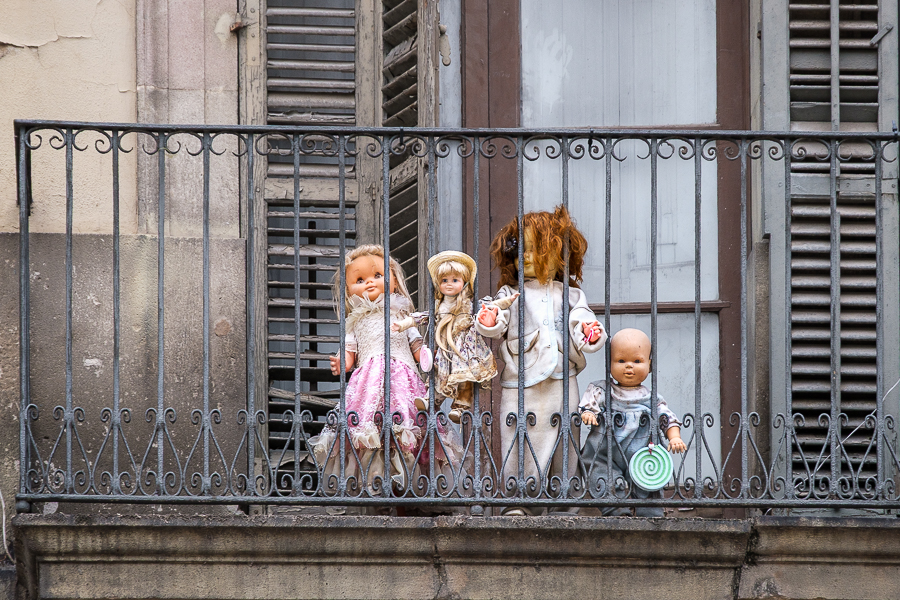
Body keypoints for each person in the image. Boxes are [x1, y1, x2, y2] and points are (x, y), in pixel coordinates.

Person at [475, 206, 606, 515]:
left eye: (536, 250)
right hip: (521, 381)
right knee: (520, 436)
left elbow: (583, 325)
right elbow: (495, 322)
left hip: (563, 380)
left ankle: (564, 503)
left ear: (558, 254)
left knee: (565, 437)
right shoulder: (511, 293)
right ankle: (519, 501)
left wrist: (590, 332)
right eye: (523, 252)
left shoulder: (571, 296)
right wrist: (490, 316)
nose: (528, 258)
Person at [309, 244, 461, 495]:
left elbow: (415, 342)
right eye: (359, 280)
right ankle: (375, 484)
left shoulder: (401, 314)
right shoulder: (355, 321)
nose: (369, 283)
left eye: (378, 276)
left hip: (404, 379)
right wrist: (341, 363)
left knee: (408, 427)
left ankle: (410, 486)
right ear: (348, 289)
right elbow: (349, 353)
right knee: (369, 430)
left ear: (393, 279)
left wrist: (426, 356)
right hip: (368, 382)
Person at [578, 328, 686, 517]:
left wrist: (674, 437)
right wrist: (588, 413)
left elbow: (666, 417)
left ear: (650, 365)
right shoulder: (602, 390)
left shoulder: (651, 398)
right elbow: (589, 404)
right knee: (601, 474)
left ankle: (649, 513)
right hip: (606, 451)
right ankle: (616, 510)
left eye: (637, 361)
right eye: (621, 361)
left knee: (648, 482)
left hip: (642, 452)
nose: (629, 366)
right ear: (610, 363)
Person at [392, 251, 497, 423]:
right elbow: (423, 317)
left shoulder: (469, 304)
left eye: (454, 280)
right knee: (439, 374)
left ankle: (460, 406)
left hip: (465, 350)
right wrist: (403, 324)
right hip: (446, 349)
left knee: (465, 378)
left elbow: (491, 308)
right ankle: (430, 400)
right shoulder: (439, 306)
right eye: (444, 281)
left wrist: (499, 307)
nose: (449, 284)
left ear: (464, 283)